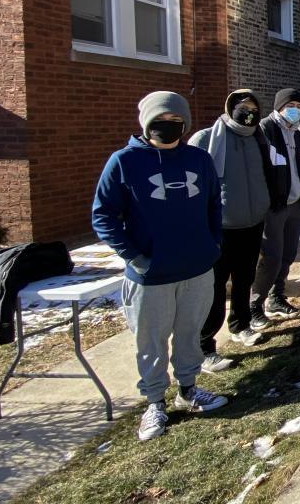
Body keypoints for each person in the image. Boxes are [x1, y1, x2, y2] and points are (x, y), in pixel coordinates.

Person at [92, 91, 227, 442]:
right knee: (151, 341)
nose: (167, 126)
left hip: (196, 269)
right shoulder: (124, 162)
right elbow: (103, 216)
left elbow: (214, 204)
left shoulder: (198, 159)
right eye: (160, 120)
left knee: (189, 333)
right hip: (151, 276)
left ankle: (188, 388)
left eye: (175, 121)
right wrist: (135, 257)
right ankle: (155, 401)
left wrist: (212, 245)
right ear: (146, 123)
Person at [189, 89, 276, 359]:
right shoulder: (206, 138)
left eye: (253, 108)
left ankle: (241, 325)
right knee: (215, 287)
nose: (249, 113)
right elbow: (192, 185)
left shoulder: (258, 138)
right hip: (221, 227)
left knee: (244, 278)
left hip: (253, 222)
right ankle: (204, 344)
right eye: (243, 108)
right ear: (230, 108)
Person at [253, 88, 300, 328]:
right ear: (279, 107)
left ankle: (276, 297)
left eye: (299, 106)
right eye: (290, 106)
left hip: (295, 203)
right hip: (275, 205)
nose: (295, 110)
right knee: (271, 257)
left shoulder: (298, 132)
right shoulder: (265, 129)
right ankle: (255, 305)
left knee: (288, 254)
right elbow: (260, 169)